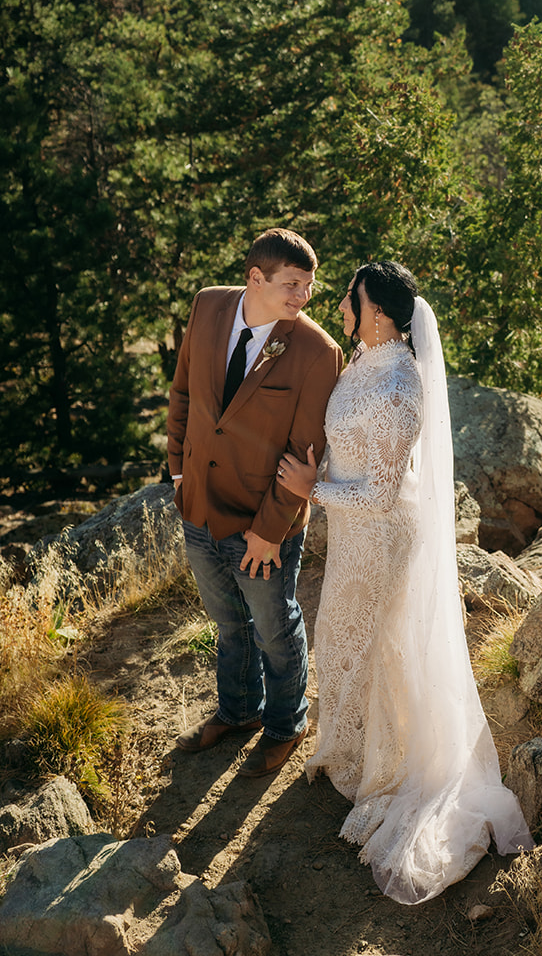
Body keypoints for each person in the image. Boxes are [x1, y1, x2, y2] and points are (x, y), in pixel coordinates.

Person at [277, 260, 533, 903]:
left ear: (382, 316)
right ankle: (344, 750)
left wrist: (314, 490)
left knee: (374, 647)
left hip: (381, 537)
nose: (341, 307)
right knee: (341, 639)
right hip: (353, 537)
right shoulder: (365, 360)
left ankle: (383, 770)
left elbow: (386, 492)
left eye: (351, 301)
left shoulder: (399, 384)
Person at [167, 227, 344, 778]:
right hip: (197, 505)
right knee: (226, 621)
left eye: (309, 287)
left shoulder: (318, 352)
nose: (303, 298)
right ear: (255, 279)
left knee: (274, 625)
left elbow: (303, 454)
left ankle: (285, 725)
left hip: (262, 523)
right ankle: (238, 712)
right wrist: (176, 469)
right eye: (292, 285)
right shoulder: (208, 306)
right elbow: (184, 392)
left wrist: (269, 531)